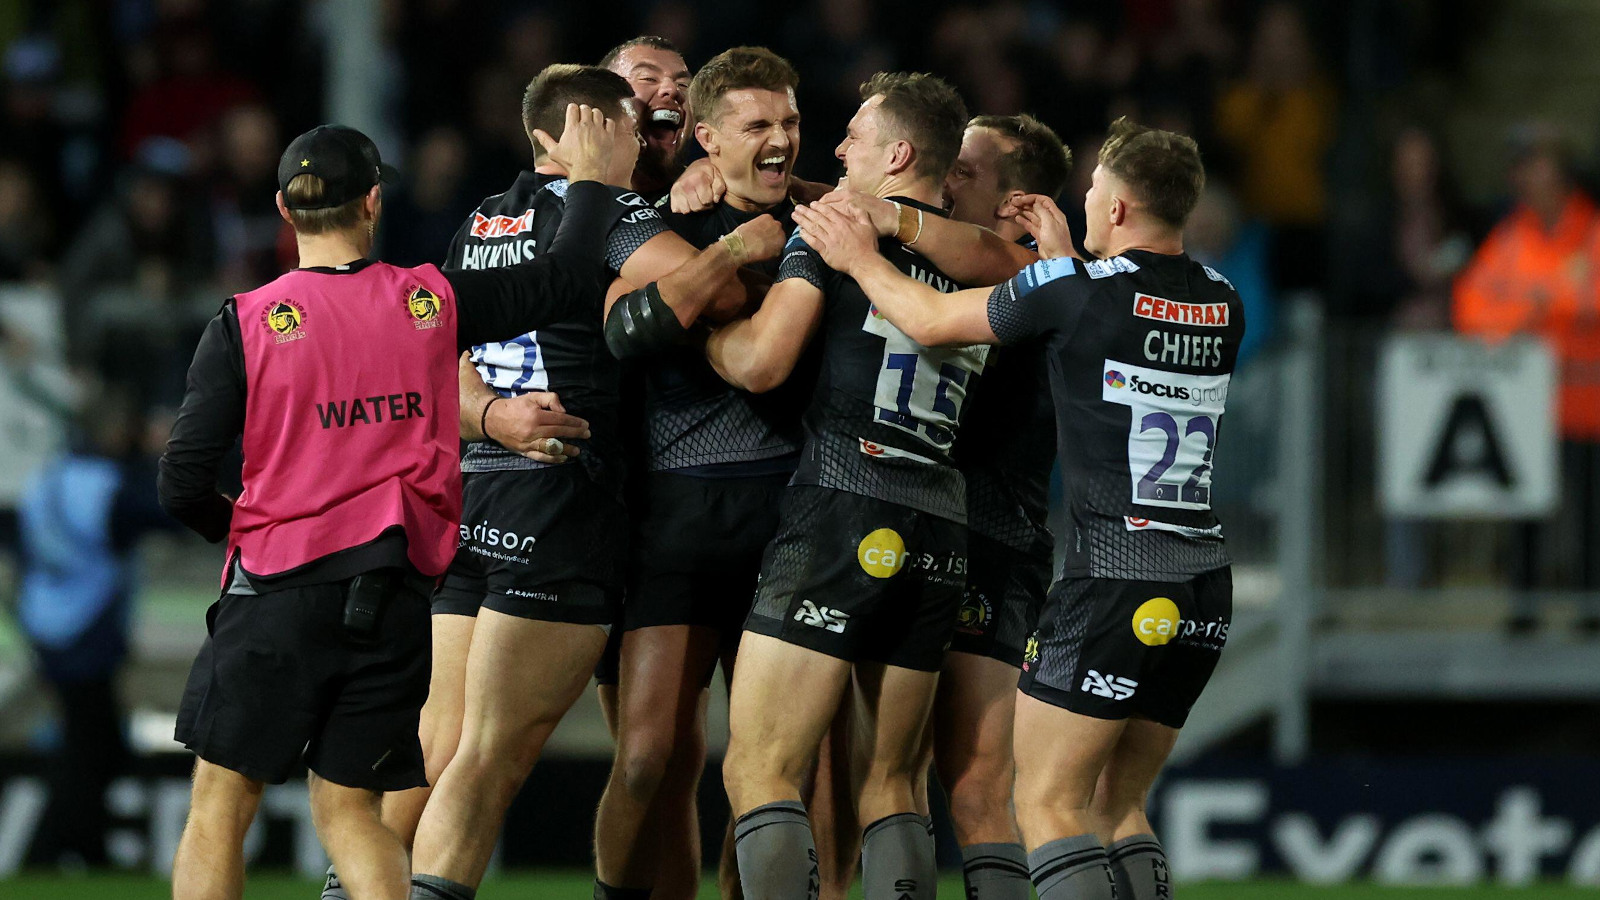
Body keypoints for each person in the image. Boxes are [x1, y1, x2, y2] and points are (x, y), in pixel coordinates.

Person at [158, 110, 621, 900]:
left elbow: (181, 479)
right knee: (352, 811)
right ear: (373, 203)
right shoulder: (432, 302)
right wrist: (593, 185)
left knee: (219, 806)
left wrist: (241, 531)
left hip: (275, 590)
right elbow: (570, 281)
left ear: (283, 210)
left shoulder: (244, 324)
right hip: (395, 597)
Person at [793, 116, 1242, 900]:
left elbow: (932, 321)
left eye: (1096, 188)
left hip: (1112, 579)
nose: (1086, 198)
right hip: (1203, 586)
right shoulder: (1224, 300)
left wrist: (860, 257)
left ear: (1121, 209)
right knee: (1119, 806)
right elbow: (1124, 324)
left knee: (1045, 802)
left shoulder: (1069, 288)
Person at [401, 64, 785, 900]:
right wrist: (740, 248)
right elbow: (718, 301)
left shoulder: (482, 217)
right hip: (560, 502)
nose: (640, 131)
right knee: (488, 757)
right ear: (572, 132)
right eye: (622, 119)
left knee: (439, 747)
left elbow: (440, 342)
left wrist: (489, 414)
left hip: (476, 497)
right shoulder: (601, 212)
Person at [705, 72, 978, 900]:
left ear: (896, 153)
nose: (834, 148)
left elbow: (762, 363)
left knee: (759, 770)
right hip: (939, 524)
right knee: (894, 784)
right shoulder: (977, 257)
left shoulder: (833, 238)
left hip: (841, 504)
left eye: (853, 136)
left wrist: (705, 341)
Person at [804, 112, 1071, 900]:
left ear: (1018, 202)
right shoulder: (994, 260)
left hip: (970, 530)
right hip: (968, 529)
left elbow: (936, 291)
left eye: (967, 171)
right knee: (904, 774)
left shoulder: (1027, 270)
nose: (946, 178)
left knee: (934, 778)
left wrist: (872, 221)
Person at [592, 46, 806, 900]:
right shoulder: (643, 222)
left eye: (790, 122)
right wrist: (721, 248)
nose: (780, 138)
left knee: (769, 773)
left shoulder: (823, 225)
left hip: (787, 520)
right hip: (670, 519)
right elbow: (623, 328)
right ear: (711, 141)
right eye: (759, 125)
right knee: (649, 758)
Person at [16, 399, 174, 868]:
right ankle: (51, 849)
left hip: (43, 616)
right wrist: (167, 457)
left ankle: (85, 845)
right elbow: (169, 513)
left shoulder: (49, 477)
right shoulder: (104, 486)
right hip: (85, 623)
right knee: (90, 746)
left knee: (95, 740)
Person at [601, 36, 692, 200]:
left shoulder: (717, 198)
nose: (672, 89)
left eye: (683, 84)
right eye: (648, 78)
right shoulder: (556, 201)